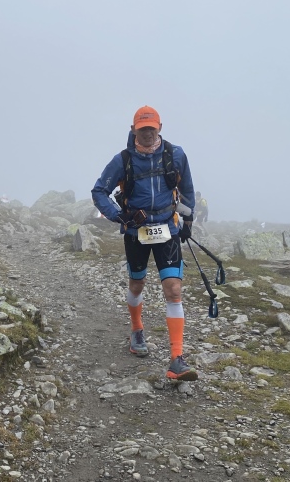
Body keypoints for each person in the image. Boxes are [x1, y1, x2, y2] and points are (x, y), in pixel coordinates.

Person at [91, 106, 198, 381]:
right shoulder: (123, 160)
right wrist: (118, 216)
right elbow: (99, 191)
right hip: (136, 231)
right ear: (133, 130)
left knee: (173, 289)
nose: (147, 133)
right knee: (136, 284)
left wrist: (187, 222)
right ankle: (137, 329)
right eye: (142, 129)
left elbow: (187, 190)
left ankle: (177, 359)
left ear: (159, 127)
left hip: (167, 228)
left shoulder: (176, 155)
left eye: (151, 128)